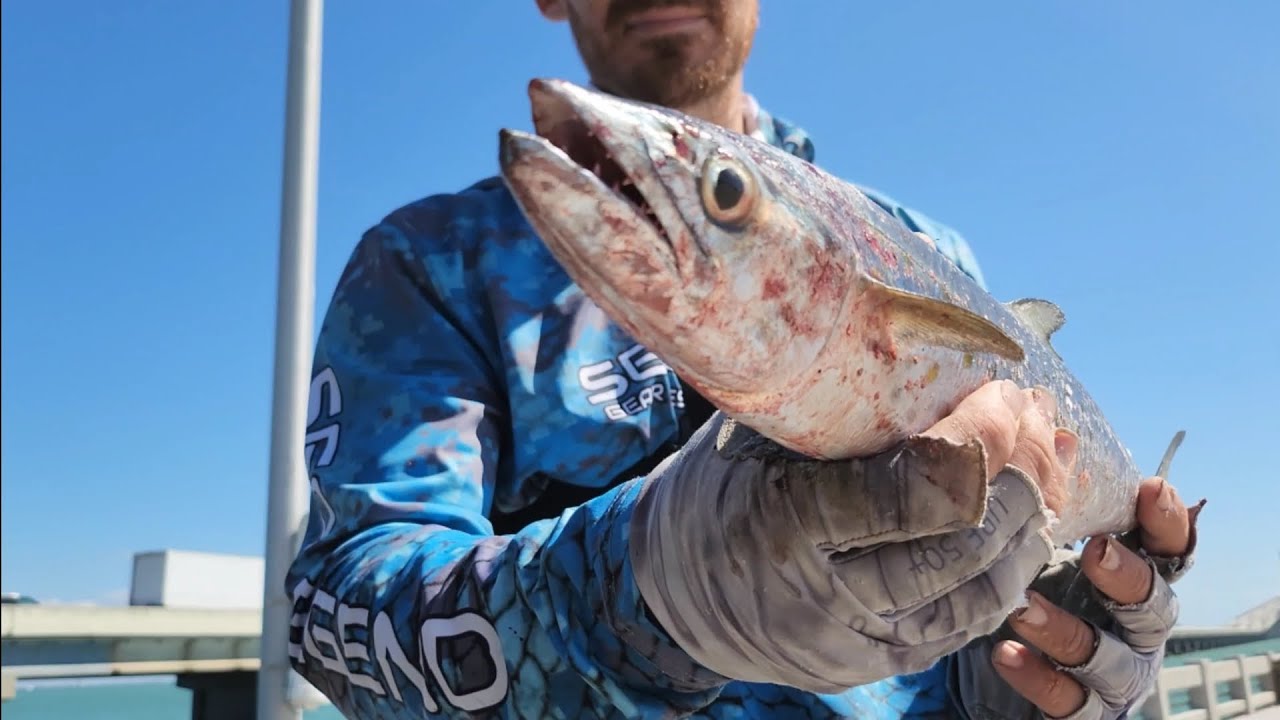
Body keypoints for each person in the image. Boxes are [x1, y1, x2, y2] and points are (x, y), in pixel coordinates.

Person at [285, 1, 1202, 718]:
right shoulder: (431, 267)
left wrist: (1024, 672)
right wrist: (645, 593)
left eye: (725, 196)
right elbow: (335, 612)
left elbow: (992, 593)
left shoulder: (927, 248)